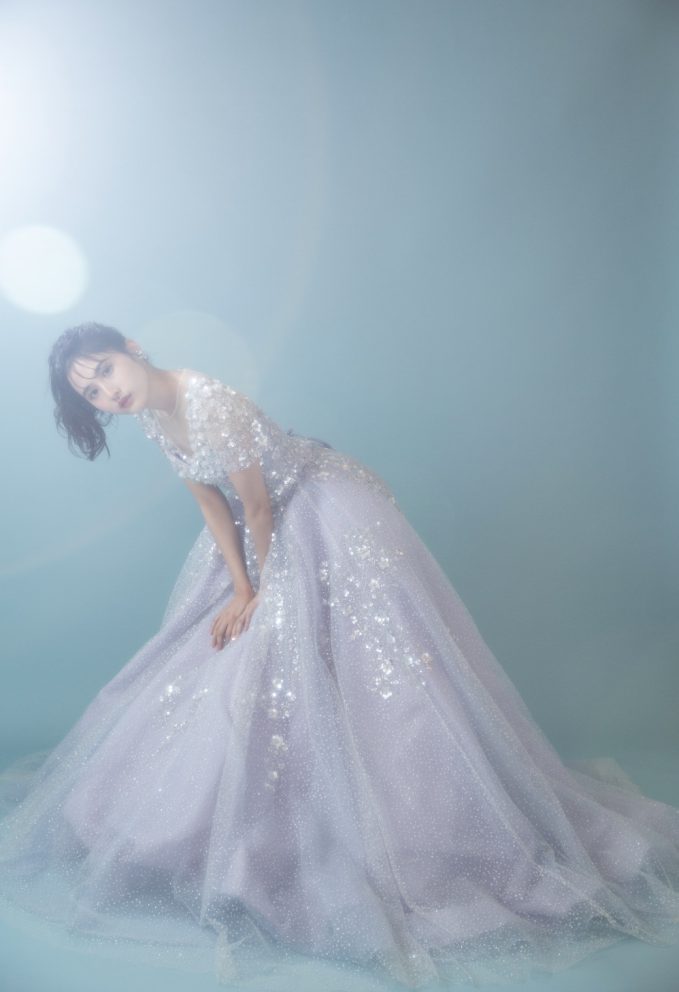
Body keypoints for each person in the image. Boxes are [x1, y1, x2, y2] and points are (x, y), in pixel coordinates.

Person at [0, 320, 678, 988]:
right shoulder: (155, 416)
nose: (108, 393)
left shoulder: (208, 400)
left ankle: (402, 824)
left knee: (349, 663)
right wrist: (239, 587)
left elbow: (257, 506)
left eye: (106, 370)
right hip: (257, 530)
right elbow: (211, 505)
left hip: (318, 511)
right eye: (91, 393)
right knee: (228, 655)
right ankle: (253, 824)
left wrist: (264, 591)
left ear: (132, 349)